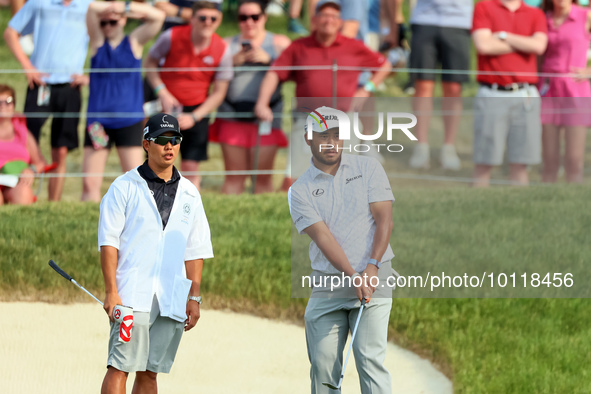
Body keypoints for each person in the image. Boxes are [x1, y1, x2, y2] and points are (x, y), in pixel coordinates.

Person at [98, 113, 213, 394]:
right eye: (162, 140)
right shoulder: (123, 187)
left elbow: (195, 249)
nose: (169, 146)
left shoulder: (190, 193)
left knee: (151, 372)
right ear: (146, 144)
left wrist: (194, 297)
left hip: (171, 297)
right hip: (132, 295)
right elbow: (108, 243)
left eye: (175, 140)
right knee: (120, 366)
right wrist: (112, 291)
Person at [288, 106, 395, 394]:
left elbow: (384, 218)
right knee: (323, 366)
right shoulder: (299, 190)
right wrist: (352, 275)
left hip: (374, 277)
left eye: (337, 136)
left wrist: (372, 266)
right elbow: (323, 237)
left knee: (368, 358)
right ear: (308, 138)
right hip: (329, 284)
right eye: (324, 136)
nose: (332, 143)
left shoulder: (368, 167)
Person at [255, 0, 391, 179]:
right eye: (324, 16)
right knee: (300, 175)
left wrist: (367, 88)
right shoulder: (299, 46)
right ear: (315, 20)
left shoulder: (353, 46)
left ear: (340, 22)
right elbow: (275, 73)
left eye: (334, 16)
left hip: (344, 121)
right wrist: (262, 103)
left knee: (346, 178)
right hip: (308, 120)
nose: (329, 20)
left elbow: (385, 65)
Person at [4, 0, 92, 201]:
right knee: (26, 144)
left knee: (60, 150)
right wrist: (27, 67)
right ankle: (22, 197)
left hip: (70, 87)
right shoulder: (38, 3)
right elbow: (10, 33)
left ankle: (54, 204)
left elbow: (107, 38)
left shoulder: (89, 6)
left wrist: (90, 76)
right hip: (40, 83)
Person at [82, 1, 165, 202]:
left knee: (135, 181)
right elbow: (92, 8)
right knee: (89, 184)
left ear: (123, 21)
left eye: (113, 21)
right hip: (98, 123)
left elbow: (158, 17)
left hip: (129, 121)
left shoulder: (134, 42)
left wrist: (125, 7)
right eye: (104, 23)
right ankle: (90, 221)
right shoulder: (97, 43)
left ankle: (135, 224)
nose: (108, 25)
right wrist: (111, 8)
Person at [145, 0, 232, 190]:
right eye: (202, 18)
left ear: (219, 20)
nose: (207, 22)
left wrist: (194, 116)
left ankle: (189, 211)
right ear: (192, 19)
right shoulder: (171, 36)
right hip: (165, 103)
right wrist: (162, 92)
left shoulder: (222, 48)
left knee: (191, 167)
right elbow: (149, 63)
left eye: (212, 18)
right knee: (157, 163)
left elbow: (219, 92)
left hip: (197, 108)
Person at [211, 0, 291, 194]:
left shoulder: (279, 43)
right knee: (234, 180)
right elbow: (208, 76)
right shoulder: (226, 44)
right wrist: (233, 62)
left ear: (264, 18)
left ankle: (263, 221)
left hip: (266, 118)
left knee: (262, 181)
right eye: (243, 17)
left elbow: (293, 75)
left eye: (255, 17)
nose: (249, 22)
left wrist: (269, 60)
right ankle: (226, 222)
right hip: (231, 116)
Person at [472, 0, 547, 187]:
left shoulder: (535, 13)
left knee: (521, 163)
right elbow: (484, 46)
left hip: (525, 95)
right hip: (492, 92)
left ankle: (521, 211)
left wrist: (503, 36)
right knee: (484, 161)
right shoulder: (484, 7)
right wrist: (524, 44)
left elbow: (539, 47)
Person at [407, 0, 473, 170]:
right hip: (424, 20)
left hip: (459, 22)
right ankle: (421, 147)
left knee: (453, 87)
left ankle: (448, 148)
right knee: (423, 85)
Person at [539, 0, 591, 183]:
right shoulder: (543, 18)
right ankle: (546, 205)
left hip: (575, 90)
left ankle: (574, 206)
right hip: (548, 90)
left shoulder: (586, 15)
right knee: (549, 161)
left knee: (574, 161)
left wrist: (589, 71)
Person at [0, 84, 46, 205]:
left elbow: (40, 162)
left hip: (16, 181)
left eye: (8, 102)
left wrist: (31, 170)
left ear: (14, 105)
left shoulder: (23, 132)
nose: (3, 106)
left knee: (23, 193)